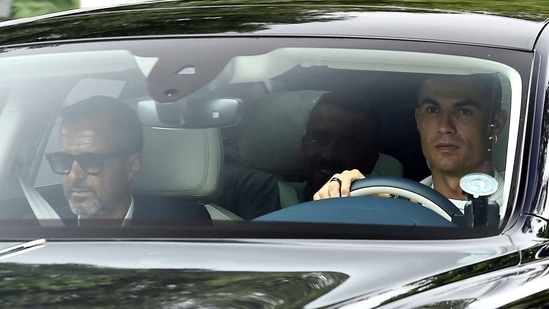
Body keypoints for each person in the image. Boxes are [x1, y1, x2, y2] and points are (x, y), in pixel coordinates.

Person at [314, 74, 507, 215]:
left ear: (495, 125)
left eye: (464, 111)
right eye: (432, 110)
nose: (444, 127)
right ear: (418, 120)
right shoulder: (393, 206)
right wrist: (347, 194)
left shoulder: (527, 208)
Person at [42, 95, 211, 225]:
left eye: (91, 160)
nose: (74, 175)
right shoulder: (38, 226)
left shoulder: (182, 224)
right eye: (64, 160)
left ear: (132, 166)